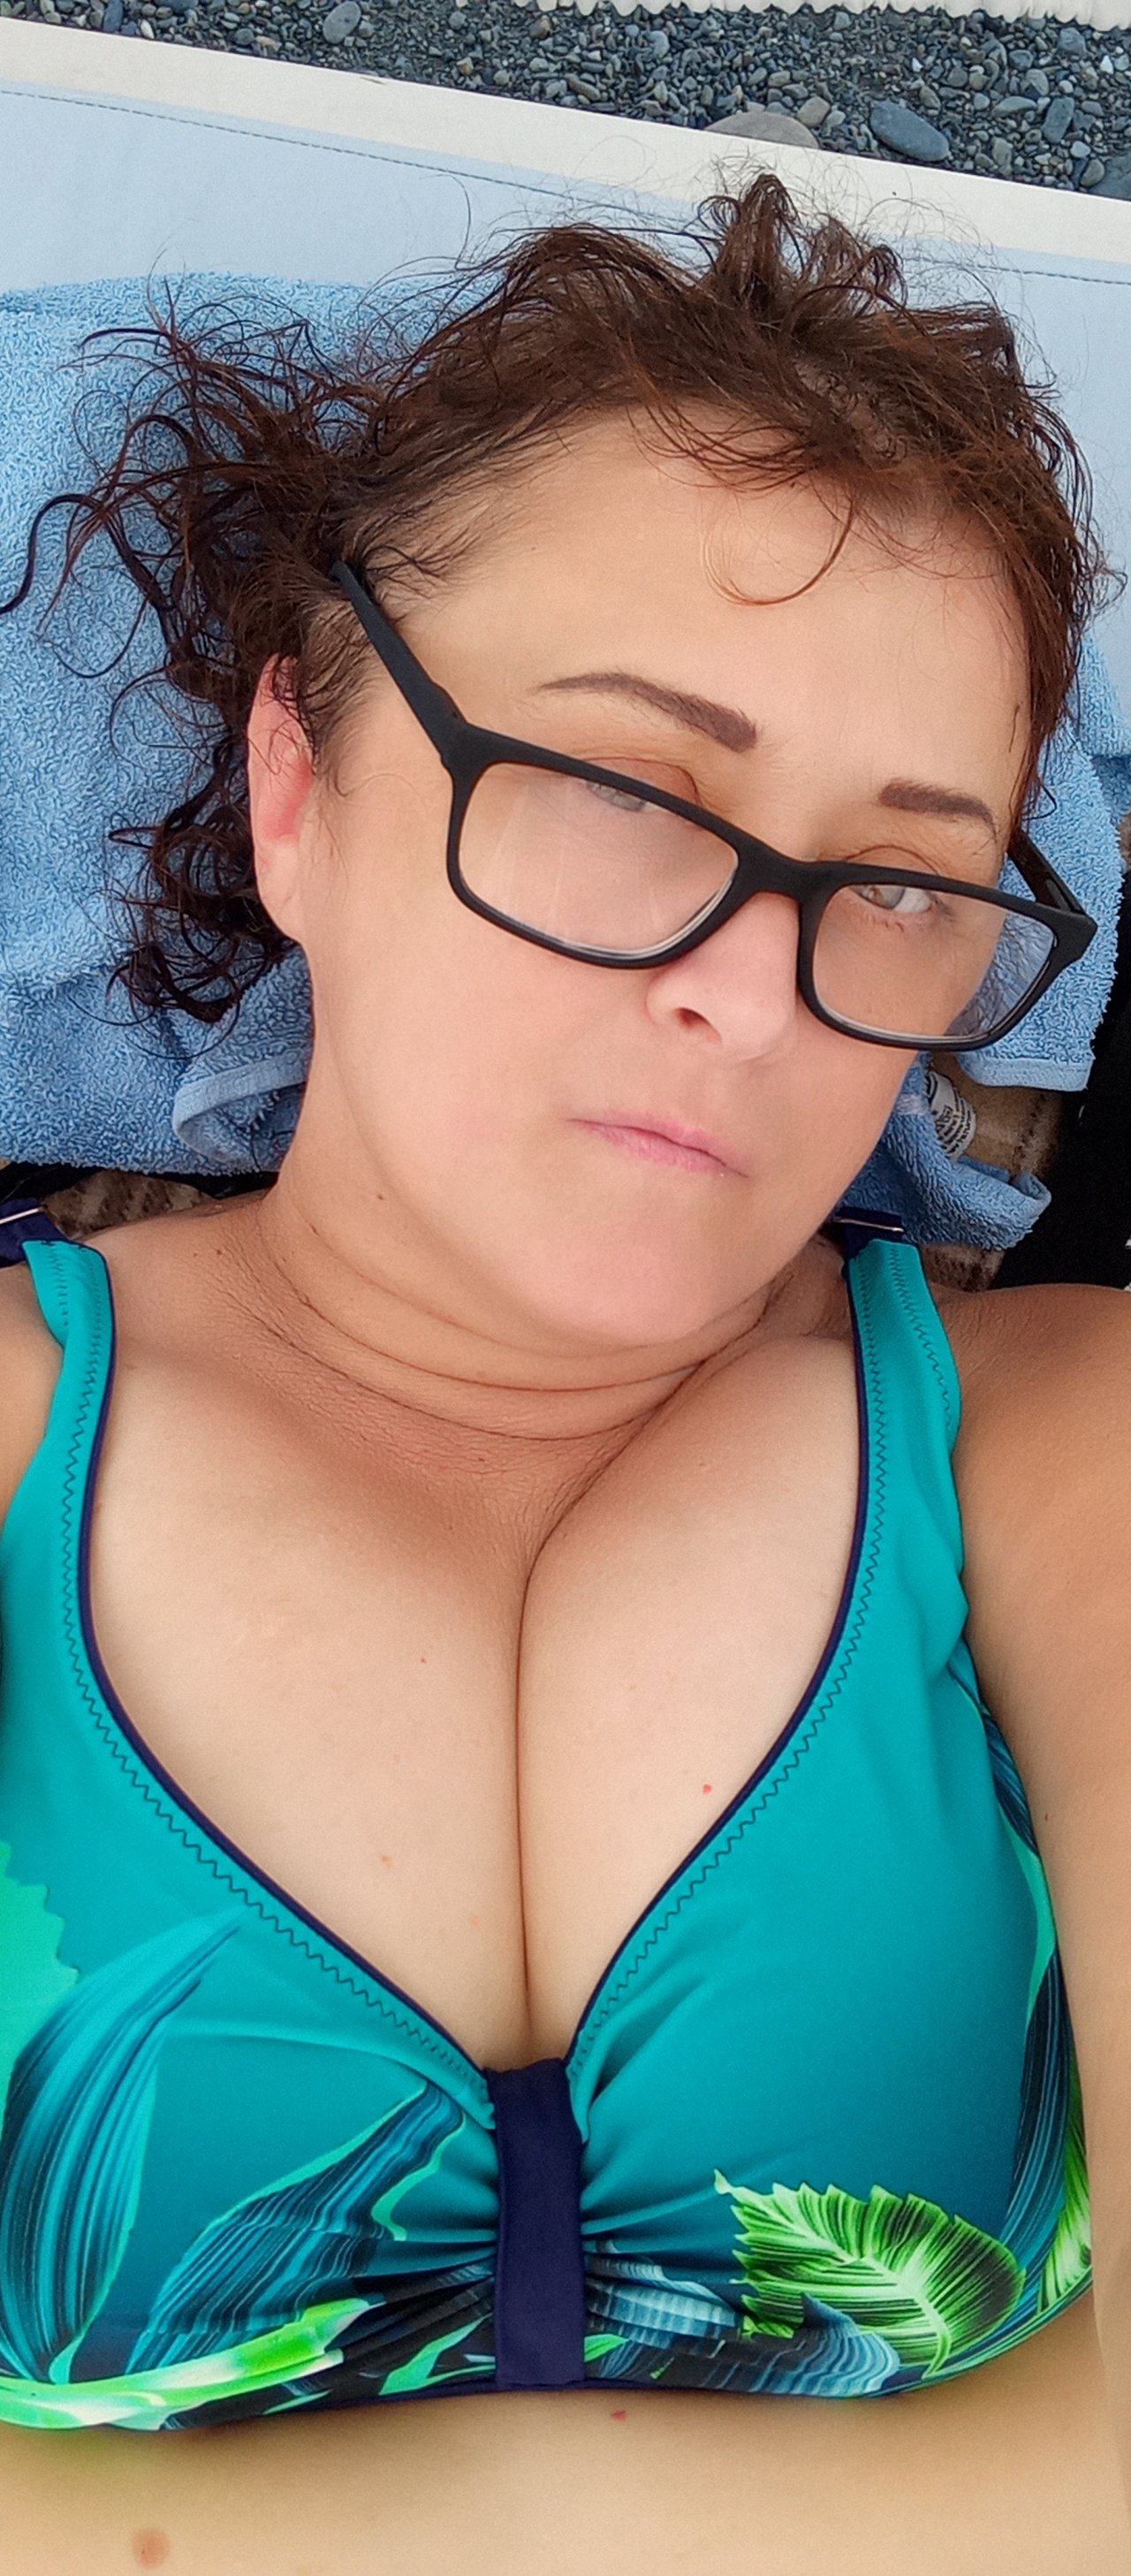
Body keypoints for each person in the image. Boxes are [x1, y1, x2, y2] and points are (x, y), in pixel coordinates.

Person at [0, 171, 1129, 2575]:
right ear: (299, 785)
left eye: (903, 878)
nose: (749, 991)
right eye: (629, 794)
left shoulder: (1071, 1456)